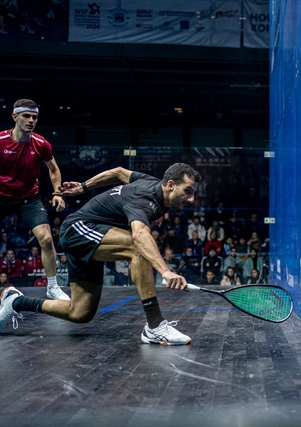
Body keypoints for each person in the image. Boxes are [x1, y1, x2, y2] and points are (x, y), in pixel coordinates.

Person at [0, 163, 202, 346]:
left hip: (95, 237)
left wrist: (83, 187)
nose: (192, 199)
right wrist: (166, 272)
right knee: (138, 247)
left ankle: (16, 302)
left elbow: (118, 172)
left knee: (80, 312)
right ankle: (155, 326)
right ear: (170, 185)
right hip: (78, 230)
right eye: (188, 191)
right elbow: (140, 235)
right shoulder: (145, 200)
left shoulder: (150, 182)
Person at [0, 99, 69, 300]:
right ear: (15, 117)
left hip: (28, 198)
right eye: (26, 116)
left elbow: (54, 170)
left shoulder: (41, 144)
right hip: (1, 196)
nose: (31, 120)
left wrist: (58, 193)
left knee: (46, 239)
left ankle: (53, 287)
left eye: (34, 117)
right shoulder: (1, 140)